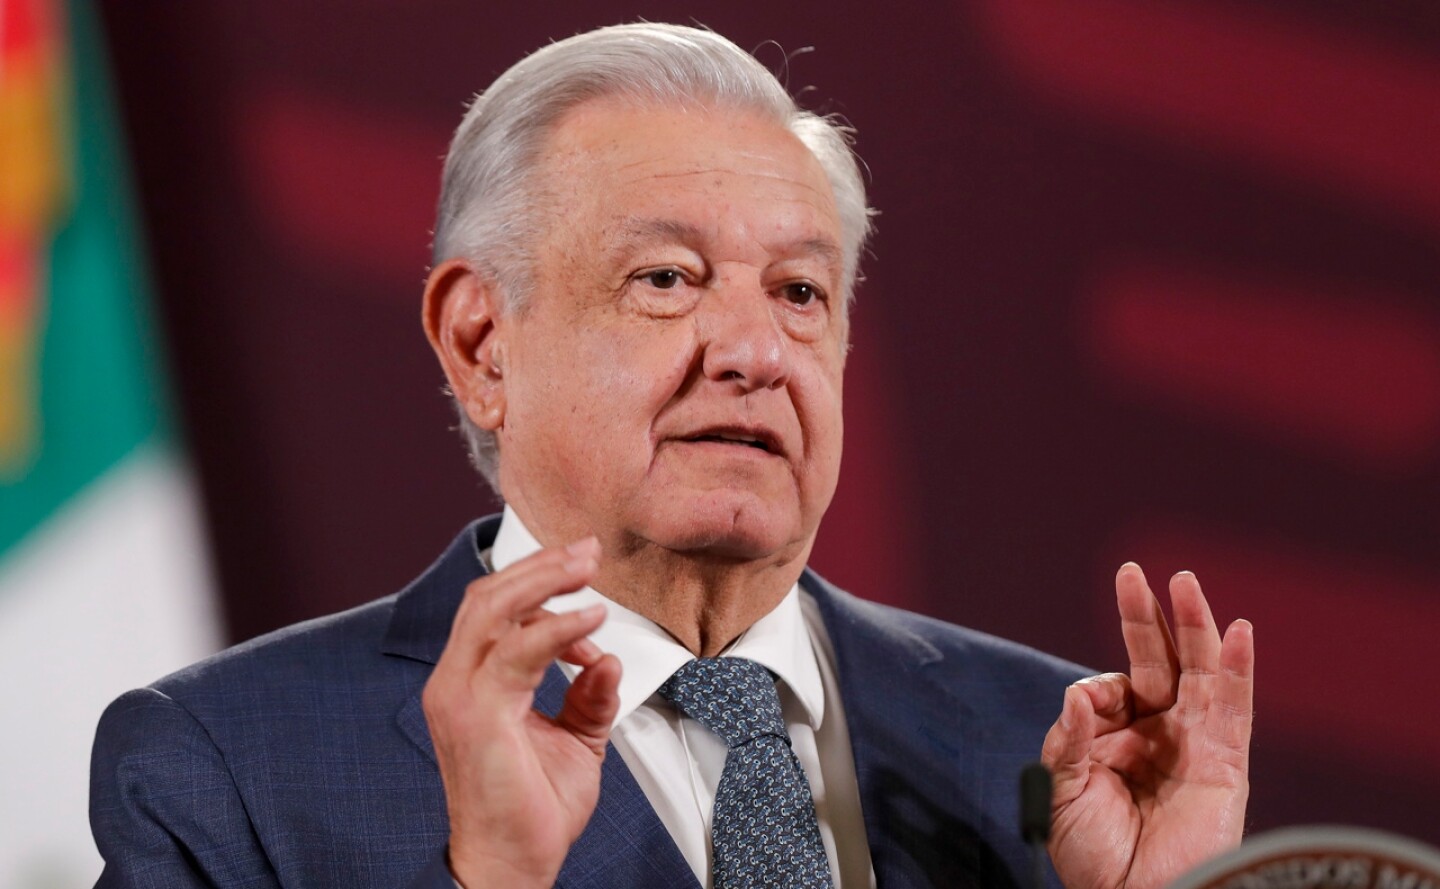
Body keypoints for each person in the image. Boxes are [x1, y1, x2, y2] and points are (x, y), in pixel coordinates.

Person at [89, 22, 1254, 889]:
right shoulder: (228, 770)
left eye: (800, 292)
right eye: (666, 279)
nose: (755, 350)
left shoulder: (1043, 746)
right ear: (482, 342)